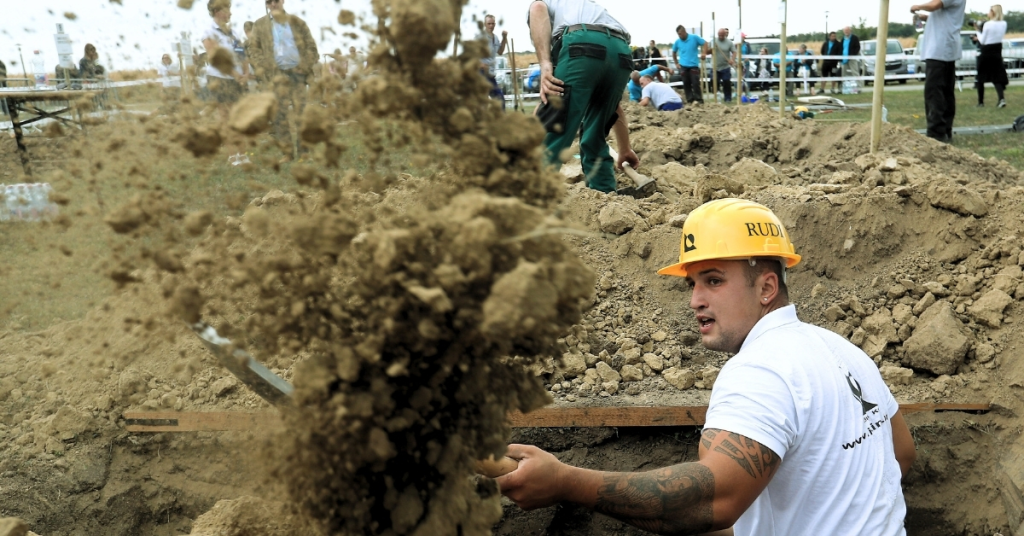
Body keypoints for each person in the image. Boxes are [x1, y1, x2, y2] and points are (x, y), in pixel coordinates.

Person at [498, 198, 916, 536]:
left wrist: (565, 482)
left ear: (767, 287)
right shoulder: (840, 349)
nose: (695, 299)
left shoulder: (760, 372)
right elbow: (900, 454)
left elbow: (712, 502)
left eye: (714, 280)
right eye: (692, 283)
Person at [527, 0, 639, 194]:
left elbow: (537, 8)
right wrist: (624, 148)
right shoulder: (584, 6)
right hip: (621, 52)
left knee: (554, 130)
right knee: (595, 134)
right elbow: (614, 108)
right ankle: (605, 198)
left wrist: (545, 64)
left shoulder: (549, 5)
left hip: (582, 45)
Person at [249, 0, 319, 150]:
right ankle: (287, 152)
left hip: (297, 74)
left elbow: (311, 47)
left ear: (282, 1)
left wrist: (304, 66)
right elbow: (253, 50)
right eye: (269, 2)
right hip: (276, 75)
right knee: (280, 115)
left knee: (301, 112)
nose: (273, 4)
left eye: (276, 1)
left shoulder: (298, 22)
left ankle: (303, 150)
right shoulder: (259, 25)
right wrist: (265, 66)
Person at [912, 0, 967, 142]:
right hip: (944, 48)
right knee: (945, 92)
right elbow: (944, 18)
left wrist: (918, 6)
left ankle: (936, 133)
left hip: (940, 49)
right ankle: (944, 130)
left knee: (934, 92)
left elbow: (934, 5)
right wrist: (924, 17)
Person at [201, 0, 248, 106]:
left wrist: (246, 73)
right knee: (225, 115)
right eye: (227, 10)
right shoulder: (209, 32)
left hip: (238, 79)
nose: (230, 13)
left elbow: (242, 54)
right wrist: (235, 74)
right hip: (220, 79)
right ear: (217, 11)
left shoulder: (234, 33)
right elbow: (216, 59)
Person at [972, 5, 1008, 108]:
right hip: (997, 51)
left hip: (987, 51)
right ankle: (1001, 99)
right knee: (997, 77)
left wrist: (978, 31)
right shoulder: (1004, 23)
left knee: (981, 77)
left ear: (993, 12)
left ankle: (981, 102)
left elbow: (983, 40)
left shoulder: (988, 24)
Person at [479, 14, 509, 109]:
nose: (491, 26)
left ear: (495, 24)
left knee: (499, 98)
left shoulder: (495, 38)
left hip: (491, 74)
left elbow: (500, 51)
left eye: (492, 24)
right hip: (481, 73)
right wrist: (480, 64)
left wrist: (504, 38)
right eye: (489, 24)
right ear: (485, 24)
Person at [672, 25, 706, 104]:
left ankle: (699, 100)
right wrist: (676, 63)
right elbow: (674, 52)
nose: (680, 36)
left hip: (693, 65)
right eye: (678, 34)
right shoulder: (677, 42)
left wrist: (704, 53)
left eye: (680, 33)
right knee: (686, 84)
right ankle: (690, 100)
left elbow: (705, 43)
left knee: (695, 83)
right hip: (683, 66)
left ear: (684, 31)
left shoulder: (694, 37)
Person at [707, 28, 735, 103]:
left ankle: (728, 98)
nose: (721, 37)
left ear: (725, 34)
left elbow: (734, 52)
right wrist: (712, 48)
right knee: (714, 82)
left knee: (726, 82)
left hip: (725, 66)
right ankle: (717, 97)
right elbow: (707, 52)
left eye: (722, 35)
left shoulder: (729, 42)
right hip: (715, 66)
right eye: (720, 35)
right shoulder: (713, 41)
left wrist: (732, 59)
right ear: (717, 34)